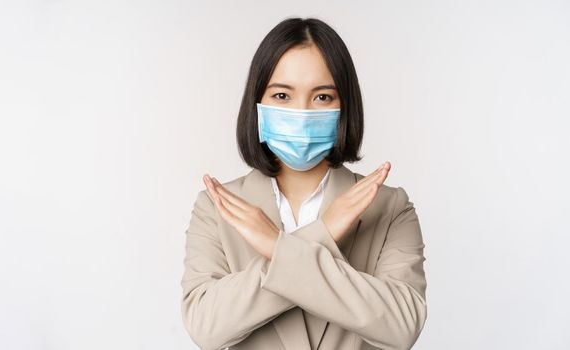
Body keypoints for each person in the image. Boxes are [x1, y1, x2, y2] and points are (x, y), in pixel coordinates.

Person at [180, 17, 427, 350]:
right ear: (258, 105)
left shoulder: (390, 207)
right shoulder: (216, 207)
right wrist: (321, 233)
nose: (302, 112)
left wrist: (276, 247)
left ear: (344, 107)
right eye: (282, 95)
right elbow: (206, 327)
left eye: (322, 97)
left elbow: (402, 326)